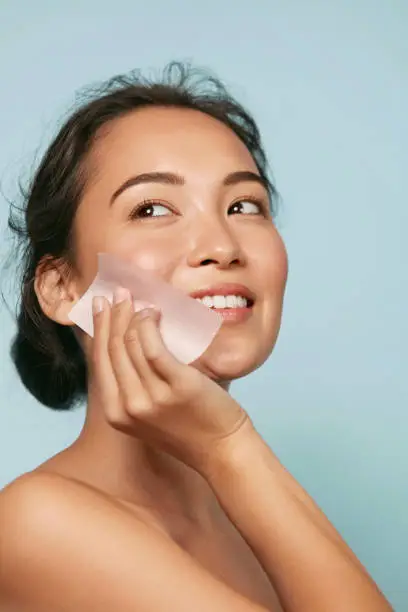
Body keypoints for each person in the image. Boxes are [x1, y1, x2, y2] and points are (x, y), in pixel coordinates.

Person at [0, 62, 391, 612]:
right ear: (61, 287)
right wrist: (230, 446)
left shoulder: (254, 525)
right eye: (153, 208)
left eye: (244, 206)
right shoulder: (36, 523)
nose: (221, 245)